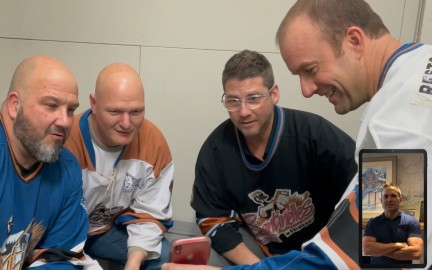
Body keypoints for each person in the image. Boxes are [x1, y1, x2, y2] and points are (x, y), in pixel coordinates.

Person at [162, 0, 432, 269]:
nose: (306, 90)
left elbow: (386, 253)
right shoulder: (414, 73)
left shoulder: (403, 119)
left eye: (310, 69)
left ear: (354, 41)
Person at [190, 49, 357, 265]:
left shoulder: (315, 136)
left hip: (323, 254)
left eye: (254, 98)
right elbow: (213, 220)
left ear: (274, 94)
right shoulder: (216, 151)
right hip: (263, 254)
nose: (244, 111)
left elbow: (367, 188)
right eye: (233, 101)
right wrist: (260, 268)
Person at [0, 55, 99, 269]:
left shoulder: (66, 169)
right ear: (14, 105)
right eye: (51, 105)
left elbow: (61, 257)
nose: (65, 121)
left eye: (70, 109)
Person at [64, 63, 174, 270]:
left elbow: (150, 213)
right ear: (94, 104)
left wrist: (134, 262)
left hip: (107, 231)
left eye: (136, 111)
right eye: (115, 111)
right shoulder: (65, 141)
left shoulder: (153, 141)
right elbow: (50, 227)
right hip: (64, 233)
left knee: (169, 261)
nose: (126, 123)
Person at [363, 183, 423, 264]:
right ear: (381, 200)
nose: (389, 200)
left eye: (393, 196)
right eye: (386, 196)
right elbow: (367, 249)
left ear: (400, 199)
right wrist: (398, 245)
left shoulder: (412, 222)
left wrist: (379, 251)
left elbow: (416, 253)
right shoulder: (372, 223)